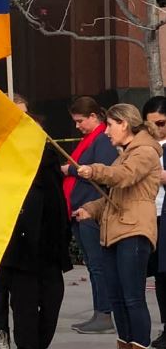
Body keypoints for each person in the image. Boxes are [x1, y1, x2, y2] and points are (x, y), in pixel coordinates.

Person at [74, 103, 161, 349]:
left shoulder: (145, 152)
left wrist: (94, 170)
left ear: (124, 124)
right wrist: (91, 209)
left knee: (133, 297)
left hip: (134, 231)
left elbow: (122, 179)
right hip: (115, 230)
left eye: (110, 125)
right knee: (117, 296)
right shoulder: (124, 154)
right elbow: (114, 196)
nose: (107, 131)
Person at [0, 140, 71, 349]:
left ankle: (39, 348)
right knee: (25, 305)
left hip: (50, 250)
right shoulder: (14, 176)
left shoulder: (50, 177)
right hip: (22, 252)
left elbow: (58, 209)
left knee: (52, 301)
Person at [64, 96, 119, 334]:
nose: (77, 126)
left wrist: (72, 170)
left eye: (80, 121)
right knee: (93, 264)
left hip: (91, 210)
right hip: (80, 209)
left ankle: (104, 313)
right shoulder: (91, 139)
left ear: (95, 117)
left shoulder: (102, 141)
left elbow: (104, 172)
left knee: (98, 265)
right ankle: (100, 311)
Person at [0, 94, 30, 349]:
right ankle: (1, 334)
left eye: (23, 114)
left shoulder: (34, 144)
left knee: (24, 291)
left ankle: (26, 338)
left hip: (26, 227)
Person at [142, 97, 166, 349]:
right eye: (151, 125)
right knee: (159, 275)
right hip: (151, 215)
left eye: (161, 123)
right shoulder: (143, 146)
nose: (157, 129)